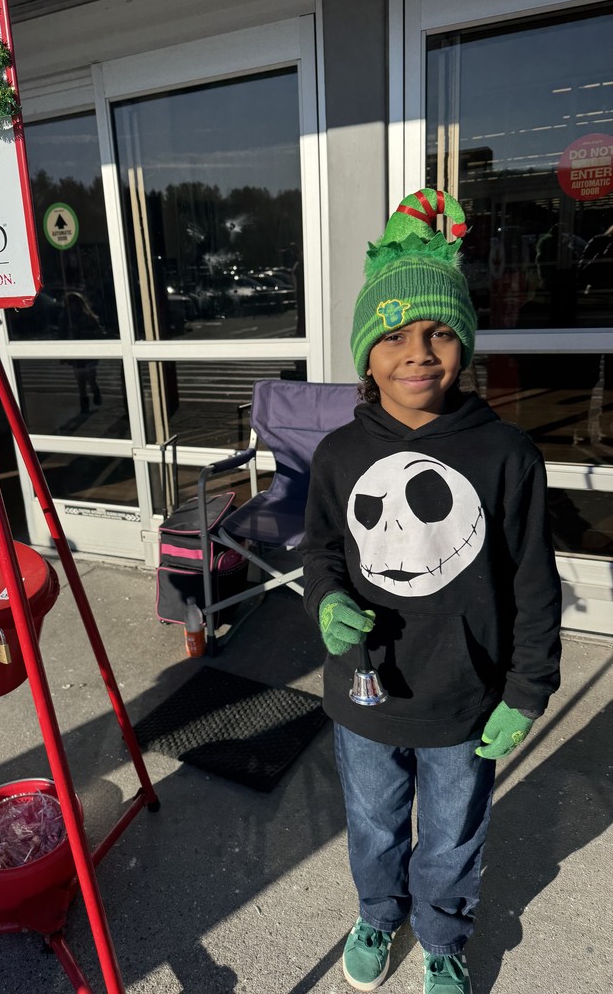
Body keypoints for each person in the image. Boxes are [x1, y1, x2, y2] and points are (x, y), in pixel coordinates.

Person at [299, 188, 562, 994]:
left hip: (465, 698)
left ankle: (444, 933)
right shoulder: (340, 454)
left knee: (451, 833)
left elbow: (532, 581)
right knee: (375, 824)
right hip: (366, 695)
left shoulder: (506, 452)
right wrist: (326, 602)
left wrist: (527, 688)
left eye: (440, 331)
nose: (419, 351)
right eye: (396, 335)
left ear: (465, 346)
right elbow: (322, 552)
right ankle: (379, 914)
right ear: (366, 353)